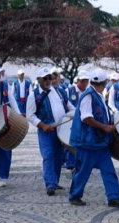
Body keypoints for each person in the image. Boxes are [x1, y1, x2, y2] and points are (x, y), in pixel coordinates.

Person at [68, 69, 119, 208]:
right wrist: (104, 127)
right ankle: (75, 196)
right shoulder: (88, 96)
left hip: (99, 142)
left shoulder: (97, 95)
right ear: (104, 82)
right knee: (82, 171)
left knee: (109, 170)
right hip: (87, 142)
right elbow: (86, 118)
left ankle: (114, 197)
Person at [27, 67, 75, 196]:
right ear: (39, 80)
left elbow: (69, 106)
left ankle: (55, 181)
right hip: (46, 130)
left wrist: (77, 114)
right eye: (45, 78)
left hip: (60, 129)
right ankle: (50, 184)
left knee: (58, 157)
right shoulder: (34, 95)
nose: (48, 80)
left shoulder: (59, 91)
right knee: (48, 155)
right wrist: (42, 125)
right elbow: (30, 115)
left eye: (50, 78)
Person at [63, 70, 90, 171]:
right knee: (71, 140)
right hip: (72, 120)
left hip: (84, 121)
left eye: (86, 81)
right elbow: (65, 103)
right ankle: (70, 163)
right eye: (82, 81)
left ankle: (81, 162)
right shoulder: (69, 90)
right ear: (78, 80)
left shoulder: (88, 92)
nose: (84, 83)